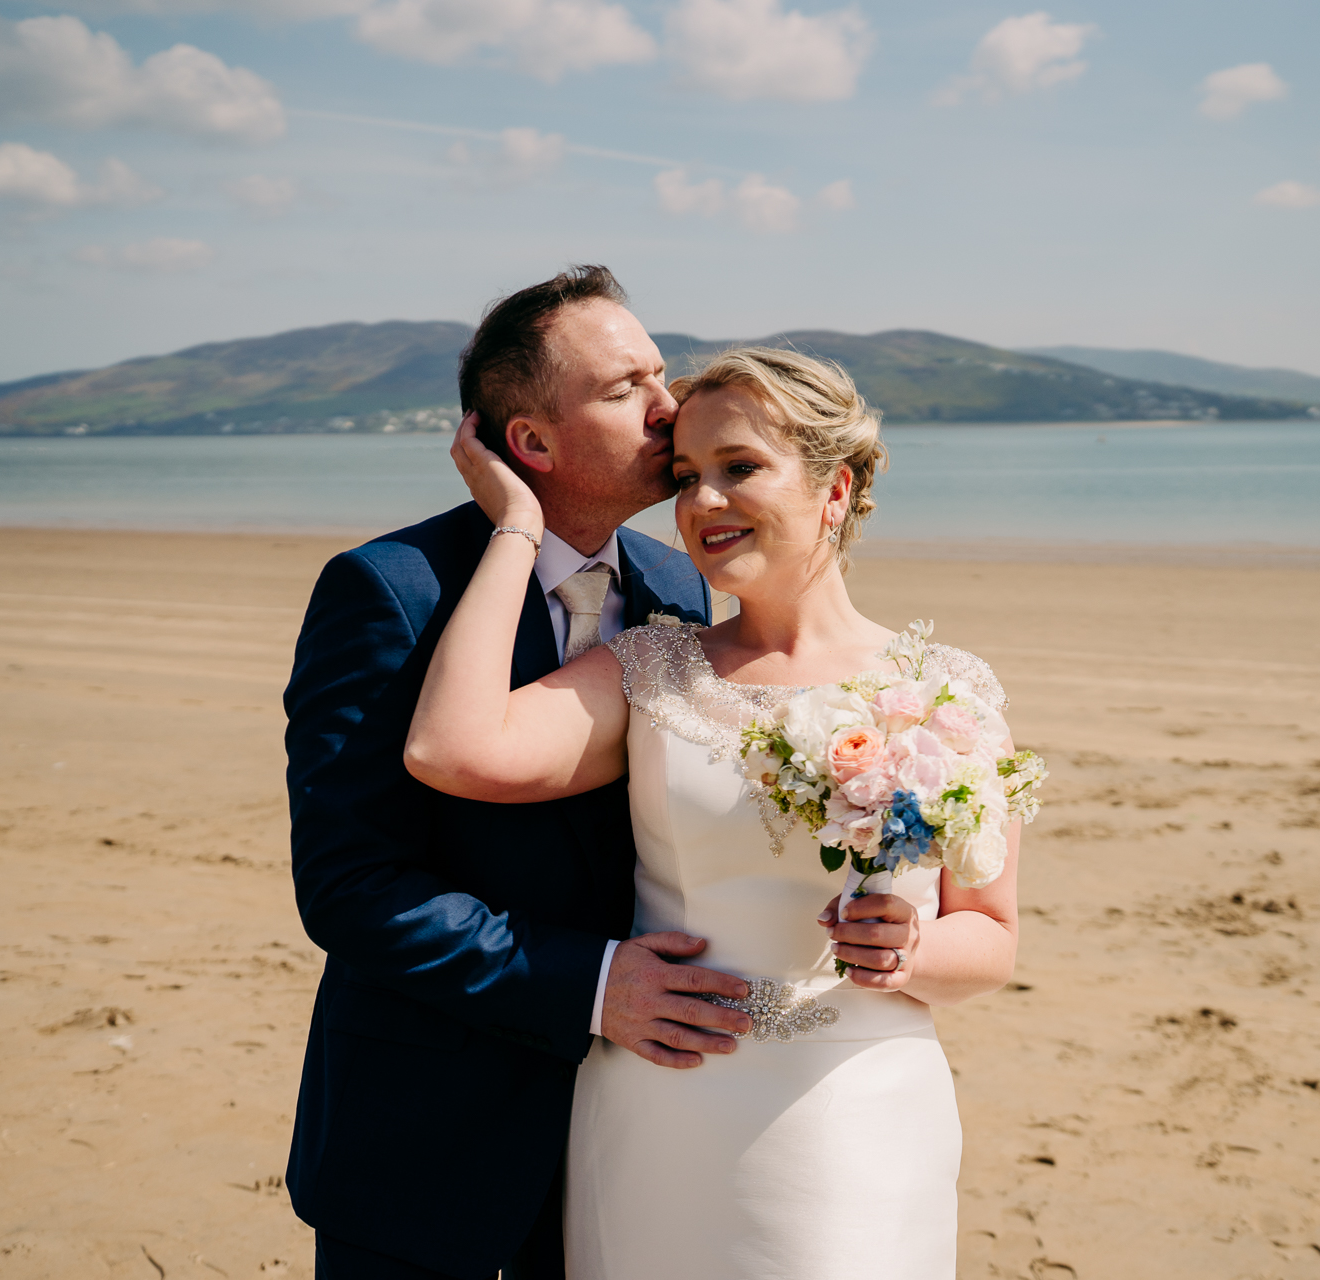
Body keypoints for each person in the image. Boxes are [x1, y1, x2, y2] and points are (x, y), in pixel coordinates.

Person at [406, 345, 1023, 1277]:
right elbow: (451, 748)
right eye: (687, 478)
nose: (701, 504)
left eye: (740, 469)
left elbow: (992, 938)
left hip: (858, 1114)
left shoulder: (947, 691)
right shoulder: (652, 670)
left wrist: (913, 952)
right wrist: (517, 528)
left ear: (834, 487)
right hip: (663, 1107)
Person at [282, 265, 757, 1280]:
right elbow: (350, 887)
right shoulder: (389, 592)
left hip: (625, 1133)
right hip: (423, 1143)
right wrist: (586, 983)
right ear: (531, 442)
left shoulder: (679, 582)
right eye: (628, 387)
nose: (671, 407)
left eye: (662, 372)